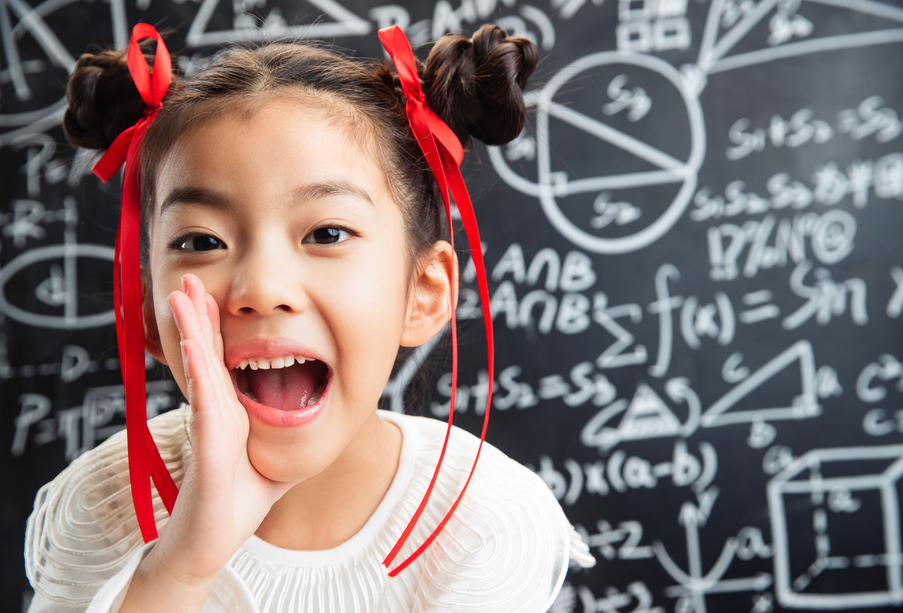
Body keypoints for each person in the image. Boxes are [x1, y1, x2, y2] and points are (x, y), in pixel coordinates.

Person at [24, 21, 594, 613]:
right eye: (200, 242)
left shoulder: (482, 520)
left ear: (422, 294)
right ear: (148, 318)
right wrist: (182, 566)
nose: (262, 289)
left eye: (326, 232)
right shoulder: (106, 504)